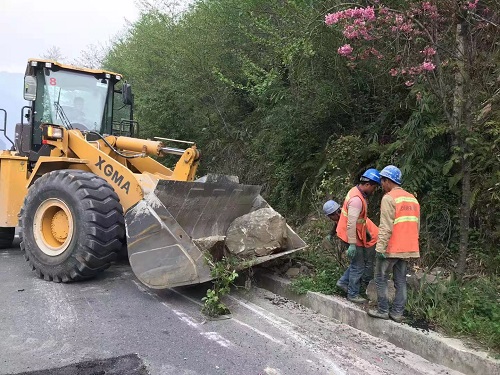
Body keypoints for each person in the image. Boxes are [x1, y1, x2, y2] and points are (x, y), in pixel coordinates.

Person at [368, 165, 420, 322]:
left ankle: (383, 310)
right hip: (408, 248)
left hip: (391, 247)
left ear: (387, 181)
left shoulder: (389, 198)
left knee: (380, 278)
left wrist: (380, 248)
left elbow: (386, 226)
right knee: (400, 280)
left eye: (382, 182)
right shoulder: (412, 199)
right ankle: (397, 313)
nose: (381, 185)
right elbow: (416, 226)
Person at [335, 168, 381, 304]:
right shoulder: (357, 200)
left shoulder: (355, 192)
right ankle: (353, 294)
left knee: (356, 263)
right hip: (351, 237)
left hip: (353, 236)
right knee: (358, 266)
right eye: (374, 187)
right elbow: (351, 223)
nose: (374, 190)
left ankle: (343, 282)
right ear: (368, 185)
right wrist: (353, 244)